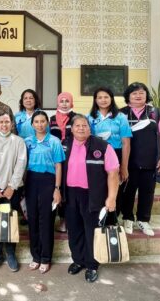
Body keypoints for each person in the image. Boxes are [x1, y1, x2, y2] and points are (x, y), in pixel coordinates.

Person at [63, 114, 119, 283]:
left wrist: (111, 198)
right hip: (71, 194)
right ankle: (78, 260)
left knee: (91, 231)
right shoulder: (65, 145)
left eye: (84, 125)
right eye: (77, 125)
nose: (81, 128)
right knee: (74, 230)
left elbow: (113, 173)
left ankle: (92, 265)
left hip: (93, 196)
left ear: (90, 128)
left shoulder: (102, 146)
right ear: (71, 129)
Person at [119, 82, 160, 236]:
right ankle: (127, 218)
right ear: (128, 96)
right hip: (128, 162)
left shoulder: (156, 113)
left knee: (147, 192)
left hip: (150, 162)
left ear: (146, 95)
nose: (138, 95)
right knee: (126, 192)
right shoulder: (121, 114)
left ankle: (143, 220)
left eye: (141, 92)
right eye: (134, 93)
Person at [0, 111, 27, 272]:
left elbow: (20, 165)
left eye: (7, 122)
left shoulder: (19, 142)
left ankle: (10, 253)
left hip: (12, 188)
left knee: (10, 220)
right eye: (1, 122)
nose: (4, 124)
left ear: (12, 124)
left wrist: (11, 187)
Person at [24, 110, 65, 274]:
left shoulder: (54, 142)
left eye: (43, 121)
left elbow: (59, 166)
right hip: (31, 181)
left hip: (49, 181)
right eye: (37, 122)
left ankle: (46, 257)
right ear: (32, 124)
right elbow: (23, 165)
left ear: (47, 123)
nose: (40, 124)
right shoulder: (27, 142)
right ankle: (35, 256)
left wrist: (57, 188)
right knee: (32, 219)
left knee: (46, 219)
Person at [87, 87, 132, 216]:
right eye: (99, 97)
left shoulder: (121, 117)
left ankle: (113, 219)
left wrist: (124, 166)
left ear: (111, 98)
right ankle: (98, 218)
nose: (103, 100)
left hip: (116, 154)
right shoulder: (89, 118)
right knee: (98, 187)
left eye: (106, 97)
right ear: (95, 100)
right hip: (96, 156)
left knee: (115, 188)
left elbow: (126, 143)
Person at [49, 91, 76, 233]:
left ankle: (67, 218)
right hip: (55, 158)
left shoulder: (77, 117)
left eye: (67, 101)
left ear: (71, 103)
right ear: (57, 103)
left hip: (72, 157)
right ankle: (59, 217)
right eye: (62, 101)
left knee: (69, 188)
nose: (64, 103)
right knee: (57, 186)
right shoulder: (52, 119)